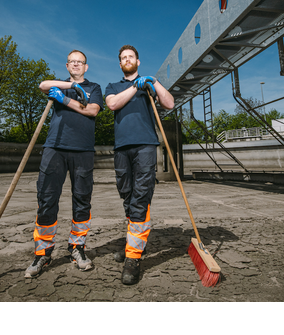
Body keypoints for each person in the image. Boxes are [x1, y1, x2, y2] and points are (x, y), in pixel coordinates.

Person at [25, 50, 103, 278]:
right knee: (47, 198)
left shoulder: (94, 88)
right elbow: (42, 85)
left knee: (82, 199)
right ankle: (43, 253)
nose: (76, 64)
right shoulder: (58, 86)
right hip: (55, 148)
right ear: (67, 66)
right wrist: (67, 88)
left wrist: (65, 99)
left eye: (80, 62)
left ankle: (77, 248)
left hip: (83, 151)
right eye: (72, 62)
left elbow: (92, 110)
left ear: (86, 67)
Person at [105, 44, 174, 285]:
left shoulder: (148, 86)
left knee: (141, 197)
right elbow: (113, 104)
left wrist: (154, 83)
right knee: (127, 195)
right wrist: (135, 87)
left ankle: (133, 257)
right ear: (120, 63)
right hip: (122, 148)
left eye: (130, 56)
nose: (127, 60)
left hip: (145, 145)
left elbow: (170, 103)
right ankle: (137, 244)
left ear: (138, 61)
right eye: (123, 58)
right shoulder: (113, 87)